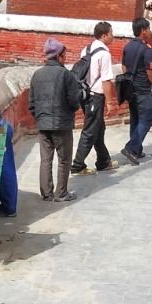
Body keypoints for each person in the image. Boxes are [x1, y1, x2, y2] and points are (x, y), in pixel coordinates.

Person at [28, 37, 81, 201]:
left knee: (46, 159)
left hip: (43, 123)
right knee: (64, 160)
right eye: (64, 55)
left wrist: (40, 117)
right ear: (58, 56)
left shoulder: (37, 75)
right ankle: (61, 192)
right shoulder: (66, 75)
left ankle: (46, 193)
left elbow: (31, 103)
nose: (65, 58)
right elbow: (74, 101)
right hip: (61, 124)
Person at [72, 22, 119, 175]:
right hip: (95, 97)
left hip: (85, 94)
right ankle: (78, 165)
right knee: (91, 130)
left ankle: (103, 161)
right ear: (104, 35)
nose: (113, 36)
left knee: (99, 128)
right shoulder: (104, 54)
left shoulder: (86, 49)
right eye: (111, 33)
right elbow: (106, 80)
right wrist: (110, 103)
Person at [120, 17, 152, 163]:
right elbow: (150, 73)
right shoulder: (147, 50)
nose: (150, 32)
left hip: (131, 90)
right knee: (148, 117)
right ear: (143, 31)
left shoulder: (128, 46)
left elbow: (124, 67)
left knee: (136, 119)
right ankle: (131, 147)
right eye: (148, 29)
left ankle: (136, 150)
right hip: (143, 90)